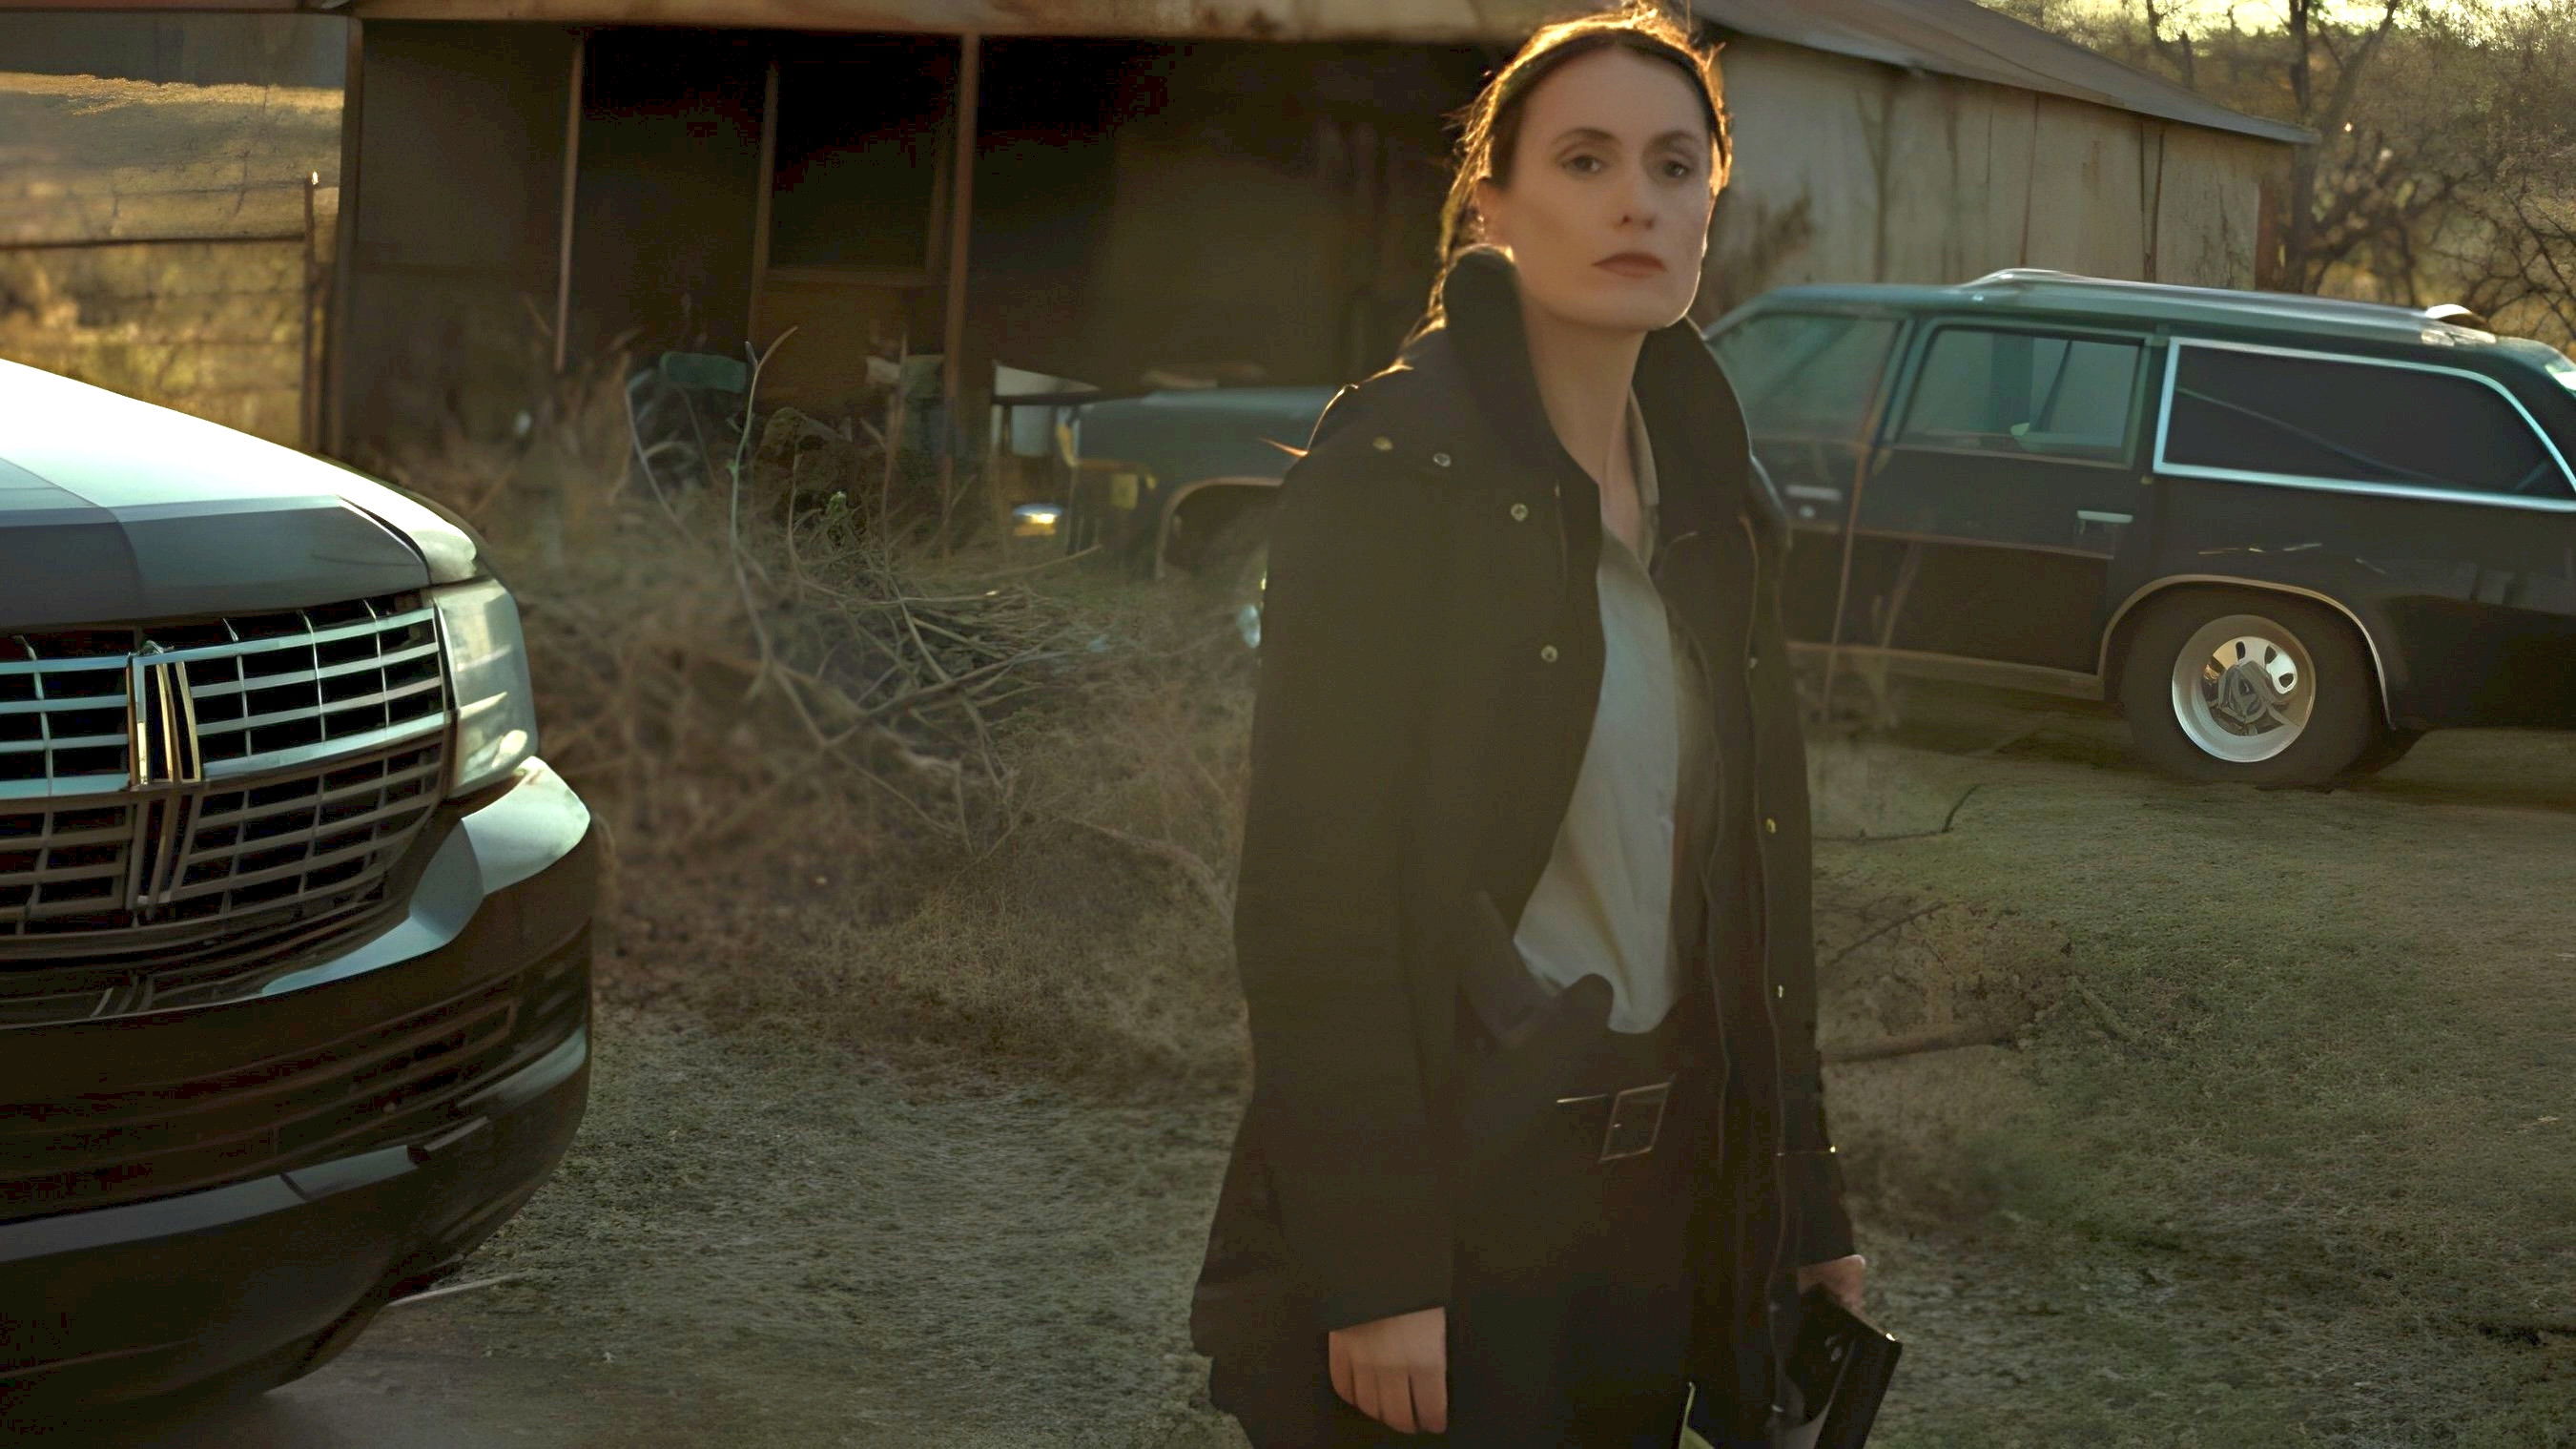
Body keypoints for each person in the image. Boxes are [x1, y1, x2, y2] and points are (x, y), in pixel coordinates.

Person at [1188, 5, 1866, 1444]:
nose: (1638, 202)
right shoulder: (1395, 471)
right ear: (1491, 205)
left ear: (1710, 207)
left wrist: (1803, 1204)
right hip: (1466, 1196)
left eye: (1675, 167)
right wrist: (1376, 1270)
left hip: (1662, 1208)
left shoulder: (1718, 504)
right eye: (1585, 160)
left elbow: (1762, 889)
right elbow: (1313, 898)